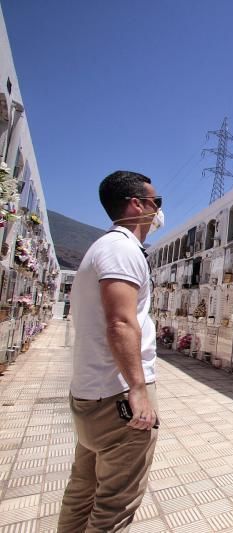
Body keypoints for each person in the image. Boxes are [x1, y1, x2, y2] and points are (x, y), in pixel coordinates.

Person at [58, 171, 164, 532]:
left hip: (93, 395)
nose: (159, 211)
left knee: (83, 491)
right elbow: (120, 322)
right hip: (117, 398)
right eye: (156, 203)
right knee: (114, 507)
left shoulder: (102, 248)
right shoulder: (121, 250)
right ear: (137, 205)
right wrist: (138, 390)